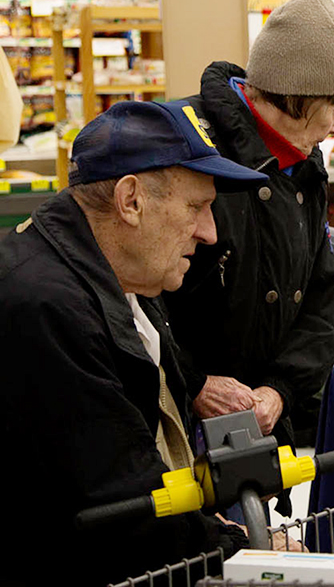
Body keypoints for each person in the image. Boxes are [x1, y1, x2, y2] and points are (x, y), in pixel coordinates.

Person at [0, 100, 269, 585]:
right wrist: (237, 545)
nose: (210, 233)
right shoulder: (46, 310)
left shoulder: (120, 277)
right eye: (197, 206)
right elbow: (123, 508)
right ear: (131, 201)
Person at [163, 0, 334, 504]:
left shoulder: (306, 166)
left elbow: (321, 294)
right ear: (298, 96)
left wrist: (280, 388)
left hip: (260, 430)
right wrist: (193, 383)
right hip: (172, 432)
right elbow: (130, 298)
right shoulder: (183, 144)